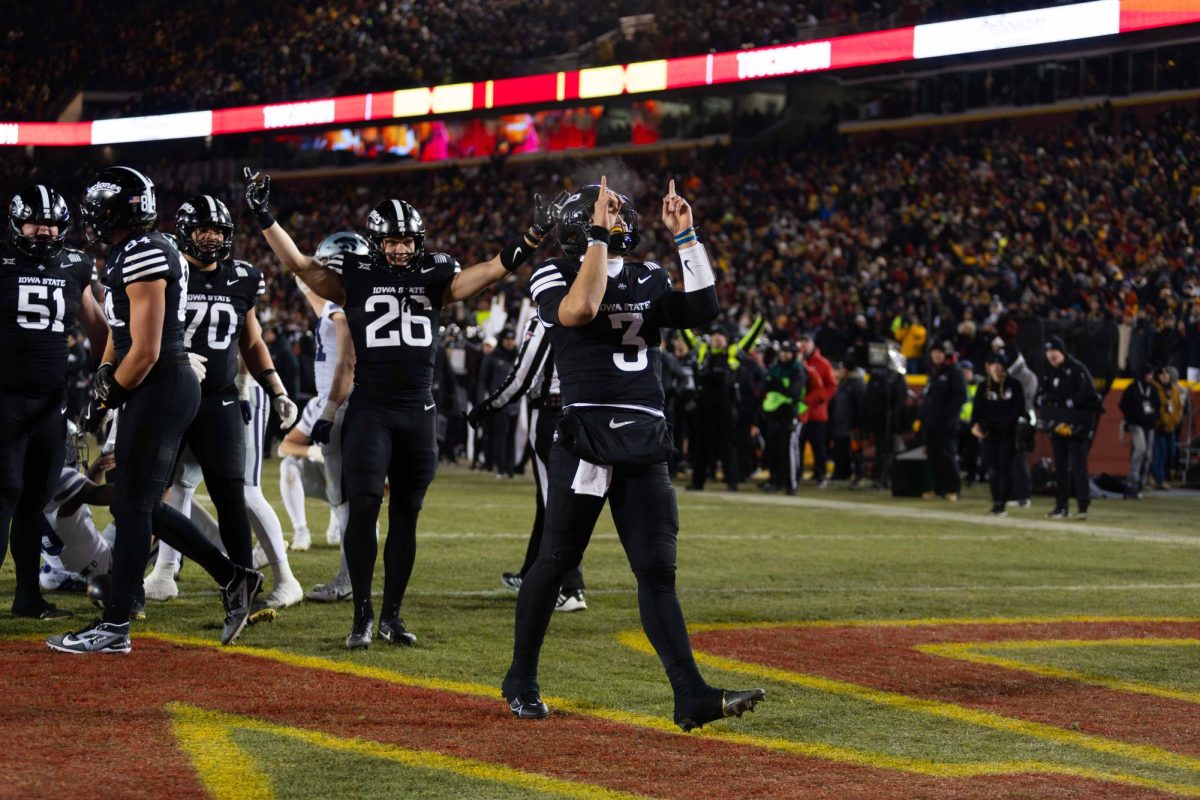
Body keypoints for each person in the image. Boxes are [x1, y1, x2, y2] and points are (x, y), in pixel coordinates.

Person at [245, 167, 551, 649]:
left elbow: (491, 270)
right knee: (364, 509)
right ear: (376, 242)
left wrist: (531, 237)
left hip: (418, 410)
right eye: (391, 241)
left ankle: (391, 615)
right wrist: (264, 216)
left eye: (407, 241)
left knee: (407, 517)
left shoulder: (436, 273)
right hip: (372, 410)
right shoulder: (357, 274)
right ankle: (362, 615)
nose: (401, 249)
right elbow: (302, 265)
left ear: (419, 241)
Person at [502, 177, 764, 731]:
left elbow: (703, 309)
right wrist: (597, 233)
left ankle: (690, 693)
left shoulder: (648, 273)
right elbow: (581, 309)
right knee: (554, 561)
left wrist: (687, 237)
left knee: (657, 571)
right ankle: (520, 677)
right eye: (608, 215)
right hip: (588, 439)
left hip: (645, 435)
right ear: (582, 226)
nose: (621, 219)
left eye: (619, 214)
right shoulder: (554, 271)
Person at [48, 167, 262, 654]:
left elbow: (143, 349)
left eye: (99, 210)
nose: (93, 219)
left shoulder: (144, 250)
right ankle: (234, 577)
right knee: (131, 500)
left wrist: (109, 396)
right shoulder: (139, 248)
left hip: (159, 382)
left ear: (117, 212)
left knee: (133, 504)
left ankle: (116, 625)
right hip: (153, 382)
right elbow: (120, 339)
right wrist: (104, 379)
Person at [143, 195, 301, 609]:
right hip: (171, 395)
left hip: (219, 399)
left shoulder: (242, 277)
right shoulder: (165, 272)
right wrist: (173, 359)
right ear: (186, 232)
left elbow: (250, 340)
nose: (211, 237)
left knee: (232, 492)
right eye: (203, 229)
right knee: (153, 494)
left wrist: (276, 387)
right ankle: (153, 576)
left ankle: (241, 587)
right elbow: (140, 332)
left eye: (218, 231)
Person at [1, 184, 109, 619]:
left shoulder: (75, 266)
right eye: (36, 222)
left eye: (52, 224)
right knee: (4, 494)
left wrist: (108, 379)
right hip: (4, 399)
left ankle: (27, 596)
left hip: (49, 401)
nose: (44, 230)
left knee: (33, 501)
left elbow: (100, 328)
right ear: (17, 222)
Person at [469, 314, 586, 612]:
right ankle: (531, 571)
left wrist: (488, 406)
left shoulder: (548, 316)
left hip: (551, 415)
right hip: (586, 414)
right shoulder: (593, 310)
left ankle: (571, 586)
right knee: (548, 498)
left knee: (554, 502)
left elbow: (523, 375)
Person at [684, 316, 764, 490]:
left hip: (725, 404)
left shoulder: (734, 352)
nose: (717, 337)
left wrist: (762, 320)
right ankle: (698, 482)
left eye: (721, 335)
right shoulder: (702, 351)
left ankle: (731, 482)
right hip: (704, 404)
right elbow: (685, 335)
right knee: (701, 444)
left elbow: (751, 337)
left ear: (726, 339)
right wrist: (678, 319)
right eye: (714, 334)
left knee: (728, 444)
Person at [1037, 335, 1101, 520]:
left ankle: (1082, 507)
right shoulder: (1049, 371)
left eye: (1054, 351)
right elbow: (1043, 393)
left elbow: (1089, 394)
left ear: (1062, 351)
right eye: (1048, 352)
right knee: (1060, 466)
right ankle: (1061, 506)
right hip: (1057, 423)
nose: (1051, 355)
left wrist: (1068, 403)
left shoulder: (1077, 369)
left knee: (1079, 464)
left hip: (1077, 424)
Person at [970, 353, 1025, 516]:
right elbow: (977, 410)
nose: (996, 367)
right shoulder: (983, 386)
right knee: (992, 469)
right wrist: (976, 426)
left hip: (1007, 434)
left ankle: (1002, 502)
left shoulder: (1013, 385)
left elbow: (1018, 409)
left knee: (1004, 468)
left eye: (999, 363)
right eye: (992, 363)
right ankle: (996, 501)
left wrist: (1006, 424)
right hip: (989, 435)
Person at [919, 340, 966, 501]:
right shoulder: (934, 371)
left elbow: (960, 396)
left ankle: (954, 489)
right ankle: (939, 488)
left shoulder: (955, 371)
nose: (936, 355)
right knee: (933, 455)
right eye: (934, 353)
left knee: (948, 455)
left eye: (940, 352)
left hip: (947, 423)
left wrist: (947, 416)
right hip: (932, 422)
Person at [759, 339, 805, 494]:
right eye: (783, 351)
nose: (784, 355)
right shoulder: (775, 368)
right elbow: (765, 386)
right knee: (773, 448)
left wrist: (776, 385)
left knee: (789, 450)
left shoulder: (797, 370)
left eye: (787, 352)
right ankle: (775, 480)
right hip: (773, 414)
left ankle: (791, 483)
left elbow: (794, 393)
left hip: (789, 413)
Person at [478, 328, 520, 478]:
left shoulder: (519, 356)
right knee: (499, 436)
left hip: (515, 402)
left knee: (511, 437)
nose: (510, 342)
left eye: (512, 339)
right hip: (498, 402)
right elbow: (483, 381)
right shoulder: (492, 357)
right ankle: (500, 467)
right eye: (507, 339)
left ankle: (510, 468)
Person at [798, 332, 836, 487]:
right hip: (801, 412)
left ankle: (820, 474)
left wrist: (819, 399)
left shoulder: (823, 363)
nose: (804, 345)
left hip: (817, 412)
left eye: (807, 342)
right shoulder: (797, 361)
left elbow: (832, 386)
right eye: (802, 342)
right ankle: (798, 473)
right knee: (798, 445)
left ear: (813, 344)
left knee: (818, 446)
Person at [1118, 364, 1159, 497]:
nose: (1150, 377)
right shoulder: (1133, 388)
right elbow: (1123, 404)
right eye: (1148, 374)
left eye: (1151, 374)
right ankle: (1133, 477)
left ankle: (1143, 479)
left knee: (1148, 454)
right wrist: (1132, 417)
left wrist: (1153, 417)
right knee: (1140, 448)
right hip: (1136, 423)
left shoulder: (1153, 389)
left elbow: (1158, 405)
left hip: (1150, 424)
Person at [829, 361, 866, 486]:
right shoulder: (845, 383)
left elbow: (861, 405)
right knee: (841, 450)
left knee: (855, 452)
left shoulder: (856, 384)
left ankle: (858, 475)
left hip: (852, 424)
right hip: (841, 422)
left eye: (841, 369)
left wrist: (858, 423)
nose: (839, 372)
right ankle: (841, 474)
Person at [1151, 365, 1185, 490]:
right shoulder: (1156, 389)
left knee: (1171, 453)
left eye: (1166, 374)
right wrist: (1160, 422)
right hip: (1159, 428)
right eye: (1162, 374)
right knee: (1161, 453)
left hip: (1171, 427)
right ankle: (1159, 479)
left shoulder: (1174, 390)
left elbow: (1178, 407)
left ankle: (1160, 476)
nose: (1165, 376)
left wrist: (1175, 421)